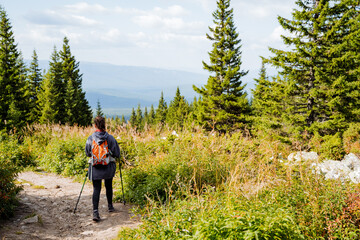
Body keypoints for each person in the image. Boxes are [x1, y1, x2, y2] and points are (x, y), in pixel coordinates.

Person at [85, 116, 120, 222]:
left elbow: (87, 153)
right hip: (108, 167)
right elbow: (117, 153)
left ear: (95, 125)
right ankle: (110, 206)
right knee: (108, 186)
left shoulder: (90, 138)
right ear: (105, 125)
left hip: (95, 168)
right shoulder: (110, 138)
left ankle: (95, 212)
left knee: (96, 189)